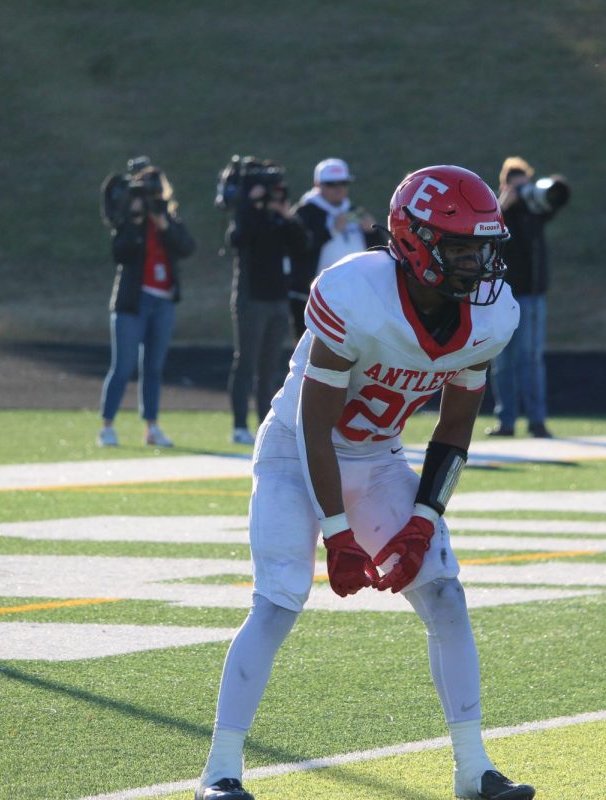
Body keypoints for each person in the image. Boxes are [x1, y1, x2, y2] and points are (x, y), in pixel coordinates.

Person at [195, 165, 534, 800]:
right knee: (278, 601)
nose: (475, 265)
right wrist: (337, 533)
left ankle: (473, 769)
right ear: (414, 243)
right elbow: (314, 425)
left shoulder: (491, 317)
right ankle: (220, 772)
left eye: (482, 249)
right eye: (460, 248)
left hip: (378, 456)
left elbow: (455, 432)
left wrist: (422, 522)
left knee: (446, 596)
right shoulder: (357, 292)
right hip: (296, 452)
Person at [98, 164, 195, 448]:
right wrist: (135, 218)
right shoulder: (129, 219)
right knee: (123, 366)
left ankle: (151, 428)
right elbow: (120, 253)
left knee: (153, 368)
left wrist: (163, 223)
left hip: (163, 301)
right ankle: (107, 426)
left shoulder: (168, 218)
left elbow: (187, 247)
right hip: (133, 301)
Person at [487, 156, 566, 439]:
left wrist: (545, 188)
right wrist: (508, 200)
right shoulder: (496, 211)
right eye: (517, 187)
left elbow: (557, 198)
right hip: (501, 295)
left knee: (531, 359)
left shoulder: (534, 210)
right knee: (504, 362)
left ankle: (537, 421)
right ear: (505, 186)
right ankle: (505, 420)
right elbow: (494, 230)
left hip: (532, 295)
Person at [227, 171, 308, 445]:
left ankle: (264, 425)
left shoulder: (279, 219)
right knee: (247, 362)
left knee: (270, 365)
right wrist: (252, 205)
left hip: (278, 299)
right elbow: (237, 239)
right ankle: (239, 425)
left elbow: (302, 245)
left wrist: (286, 216)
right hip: (252, 299)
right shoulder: (247, 215)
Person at [288, 158, 386, 341]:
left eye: (343, 183)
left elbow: (379, 250)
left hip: (353, 295)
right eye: (331, 184)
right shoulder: (305, 211)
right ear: (318, 184)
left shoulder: (354, 210)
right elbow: (298, 247)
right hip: (315, 296)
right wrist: (331, 230)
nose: (338, 188)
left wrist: (372, 232)